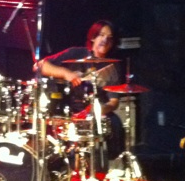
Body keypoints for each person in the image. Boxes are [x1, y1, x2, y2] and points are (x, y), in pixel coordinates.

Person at [36, 20, 124, 162]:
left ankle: (110, 165)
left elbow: (114, 102)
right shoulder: (76, 53)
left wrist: (98, 110)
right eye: (101, 35)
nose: (105, 40)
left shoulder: (112, 65)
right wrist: (65, 73)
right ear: (93, 37)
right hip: (70, 112)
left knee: (115, 123)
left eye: (110, 37)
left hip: (97, 113)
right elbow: (39, 66)